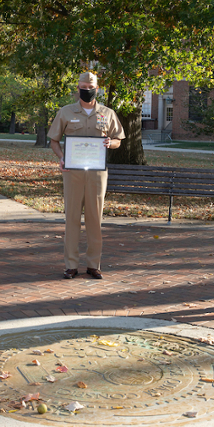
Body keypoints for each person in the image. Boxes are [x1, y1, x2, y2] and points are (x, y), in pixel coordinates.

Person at [49, 72, 126, 280]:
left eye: (90, 86)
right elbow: (54, 140)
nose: (86, 89)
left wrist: (111, 143)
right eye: (83, 86)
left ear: (97, 89)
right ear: (78, 88)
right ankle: (71, 265)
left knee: (95, 219)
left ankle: (94, 265)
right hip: (72, 173)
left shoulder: (107, 114)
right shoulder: (66, 112)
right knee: (71, 219)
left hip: (97, 174)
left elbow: (119, 139)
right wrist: (62, 158)